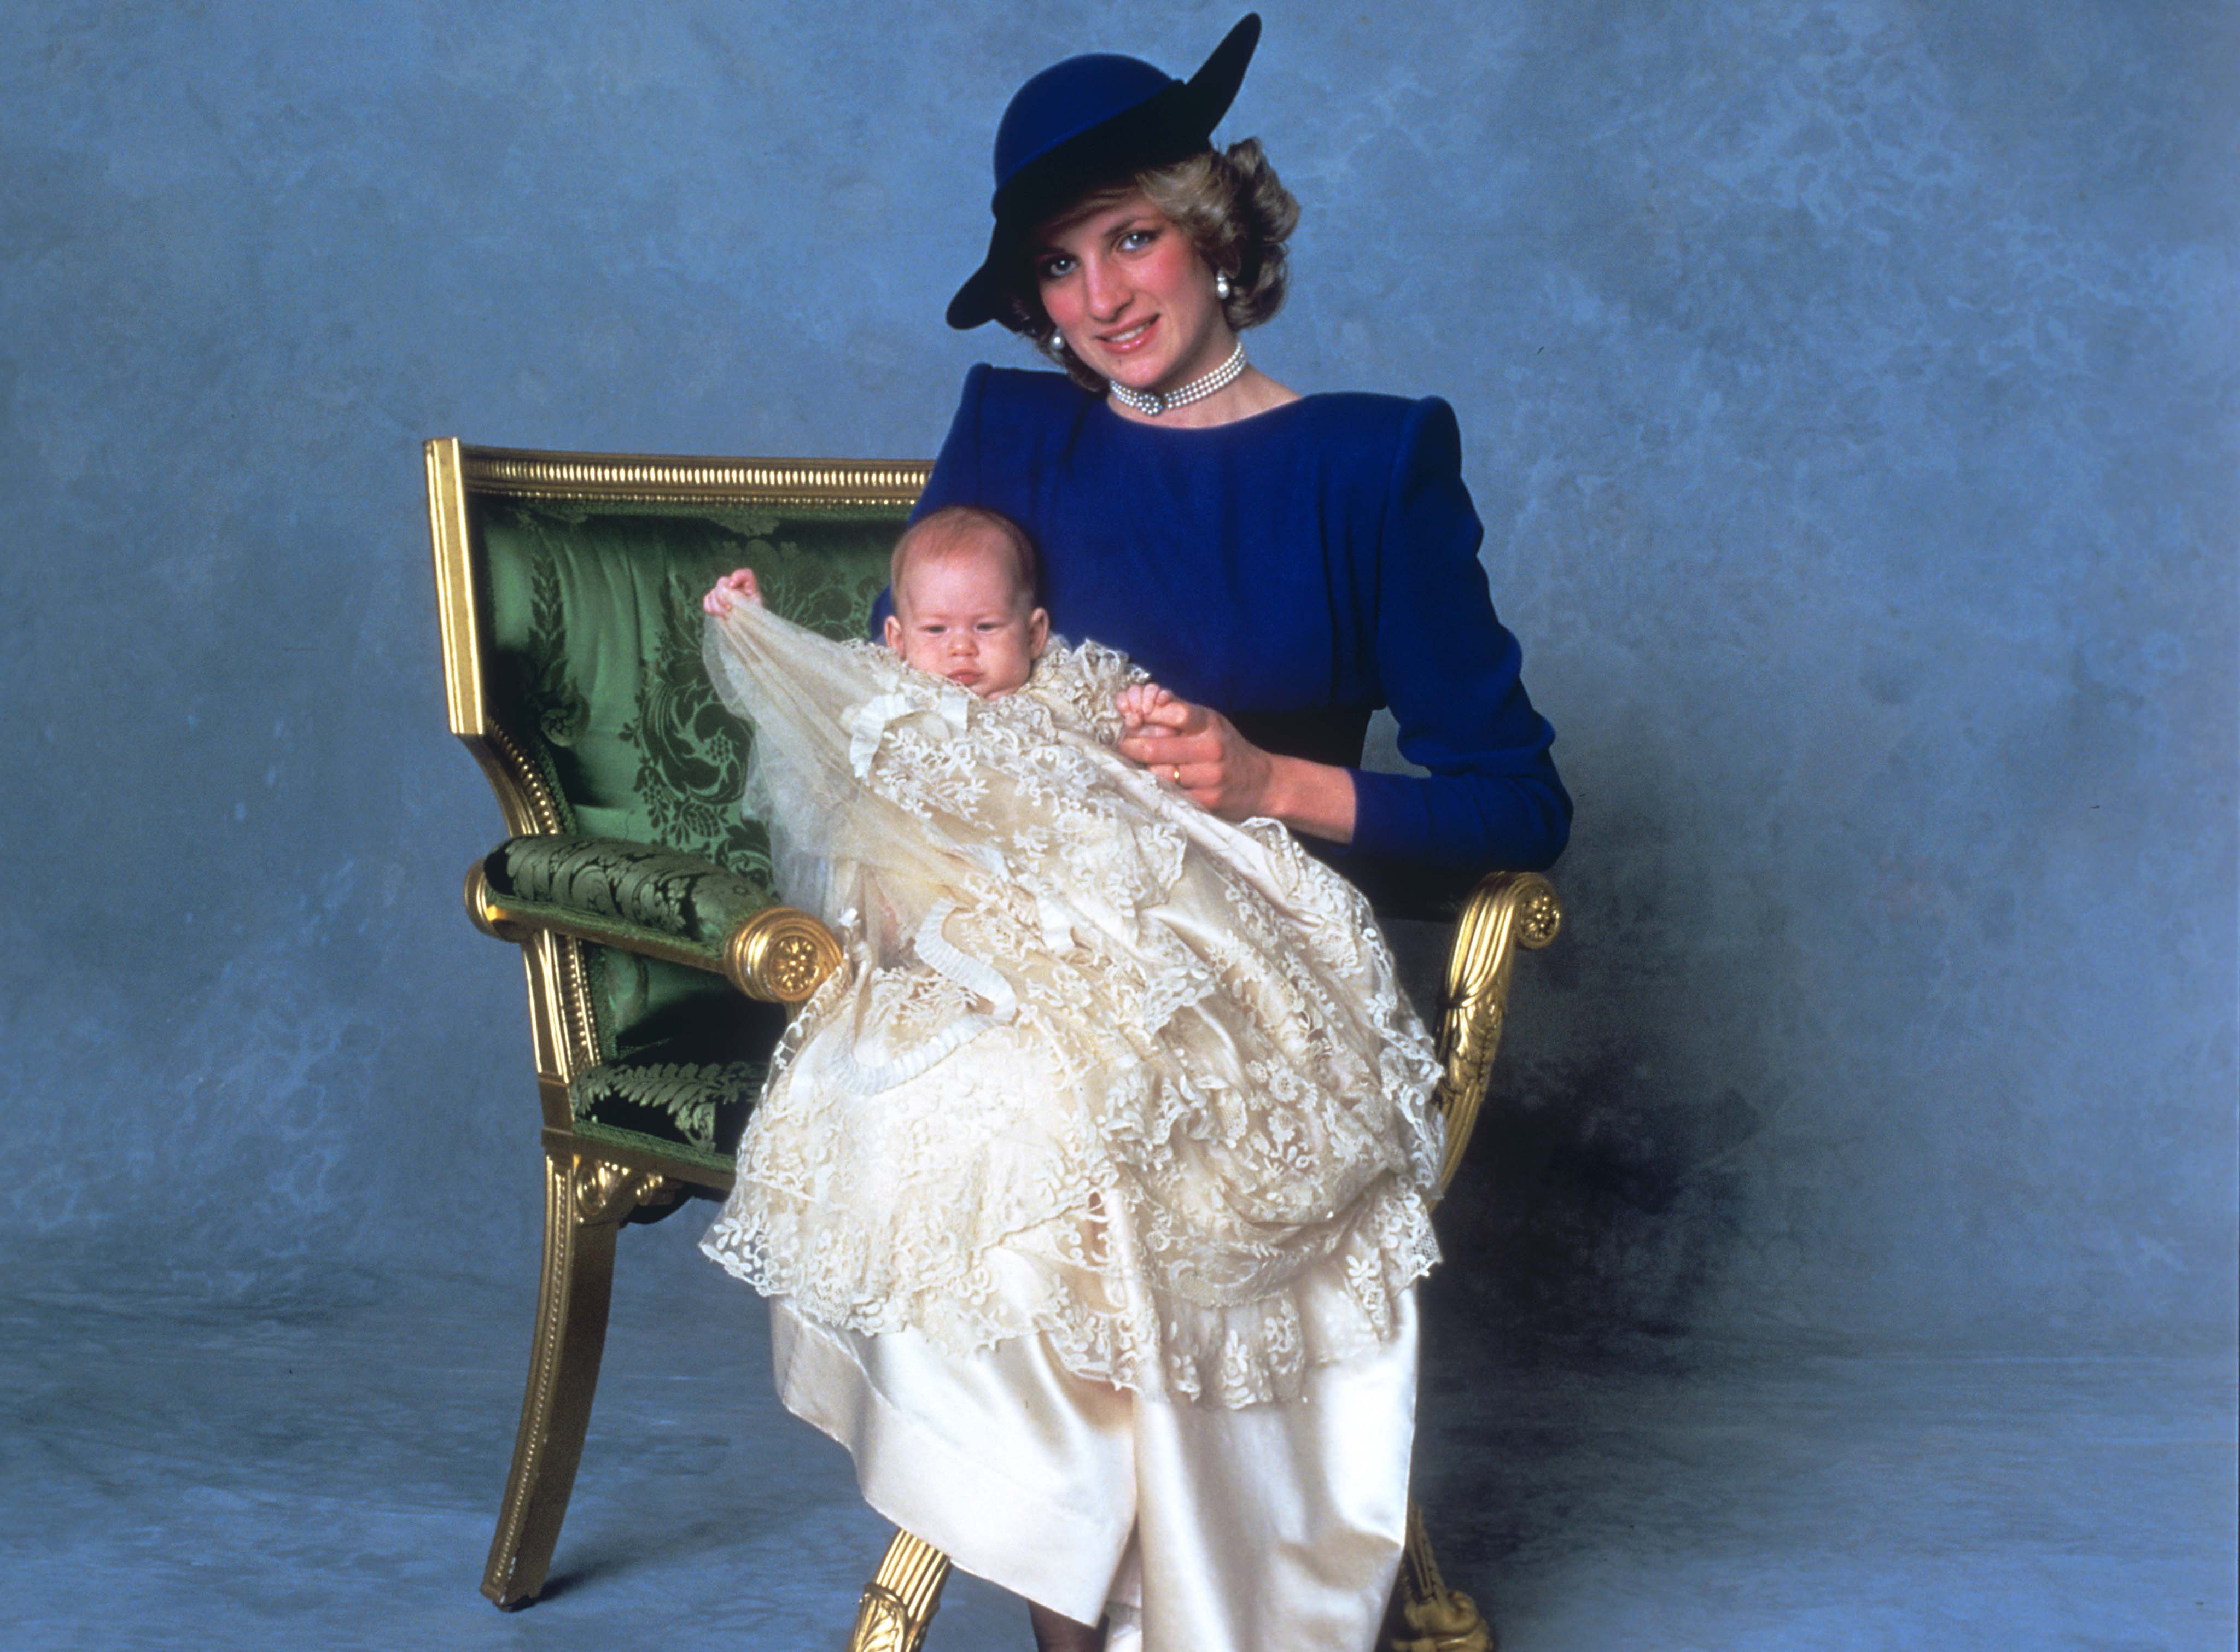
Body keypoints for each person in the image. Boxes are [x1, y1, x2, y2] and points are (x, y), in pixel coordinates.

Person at [697, 505, 1444, 1652]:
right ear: (894, 639)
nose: (961, 652)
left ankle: (1174, 1534)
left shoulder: (1059, 689)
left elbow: (1129, 726)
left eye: (987, 627)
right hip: (967, 940)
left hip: (1111, 927)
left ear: (1033, 629)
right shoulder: (896, 714)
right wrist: (749, 622)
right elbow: (812, 689)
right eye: (935, 629)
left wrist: (1147, 718)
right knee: (971, 1107)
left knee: (1181, 1044)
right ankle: (1063, 1528)